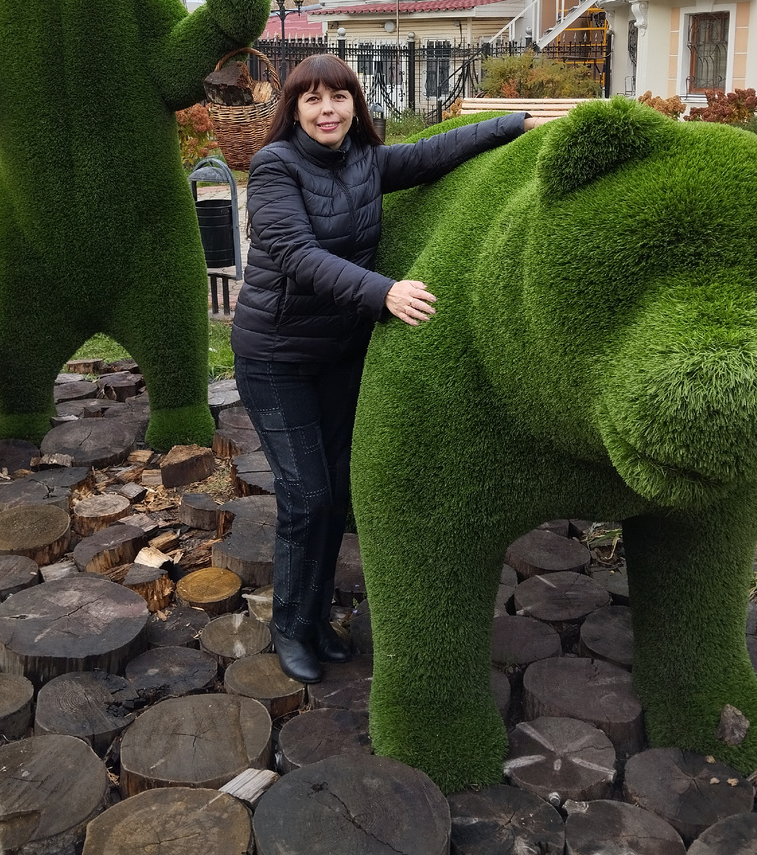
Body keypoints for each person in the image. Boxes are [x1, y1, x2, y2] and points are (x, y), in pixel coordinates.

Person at [231, 54, 545, 682]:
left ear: (355, 105)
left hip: (339, 356)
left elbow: (435, 152)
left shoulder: (366, 162)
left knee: (338, 492)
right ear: (294, 109)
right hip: (277, 358)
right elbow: (295, 253)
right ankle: (290, 627)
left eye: (339, 98)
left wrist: (513, 125)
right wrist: (386, 293)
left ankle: (318, 620)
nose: (328, 111)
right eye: (313, 100)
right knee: (307, 497)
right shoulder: (273, 169)